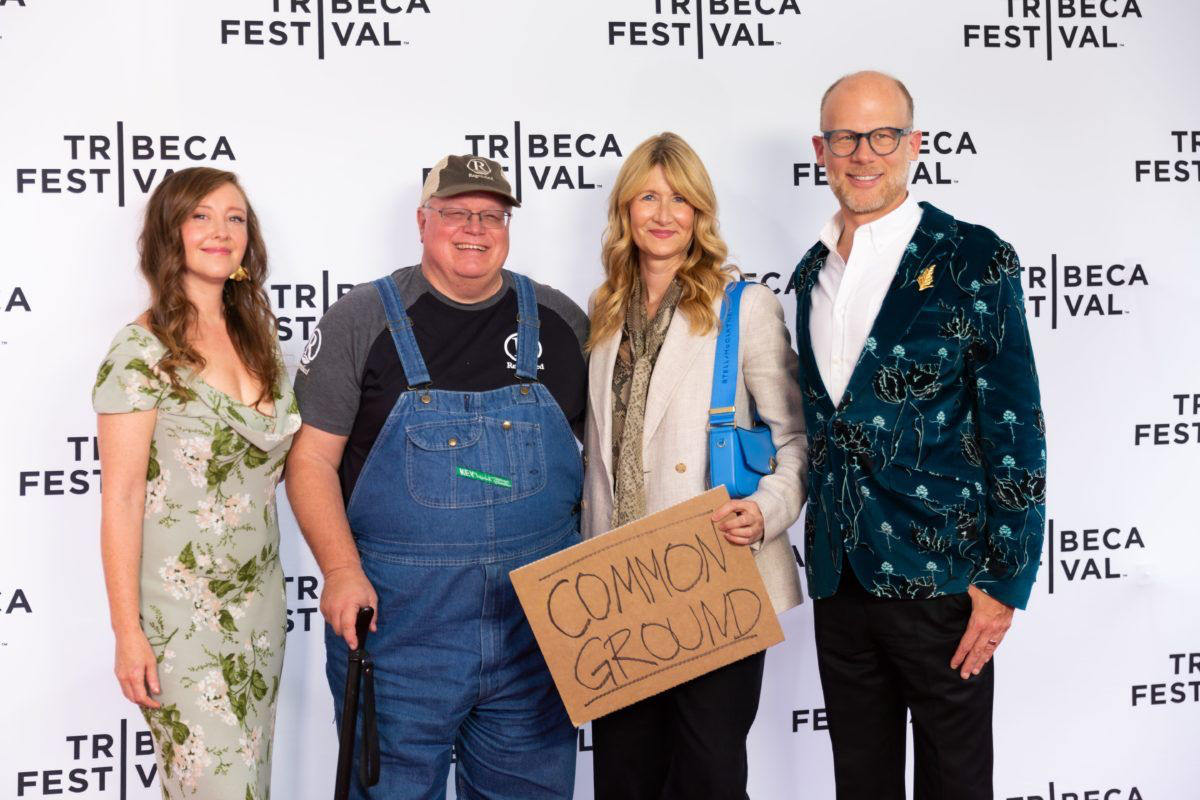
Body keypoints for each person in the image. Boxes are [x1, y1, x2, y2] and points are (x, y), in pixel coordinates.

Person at [287, 154, 588, 798]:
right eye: (455, 213)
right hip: (400, 631)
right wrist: (340, 571)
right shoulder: (360, 321)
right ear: (423, 221)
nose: (473, 228)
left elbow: (610, 459)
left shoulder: (561, 322)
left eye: (491, 214)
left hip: (537, 629)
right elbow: (311, 459)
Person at [791, 71, 1047, 799]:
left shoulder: (973, 257)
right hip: (840, 580)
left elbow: (1017, 425)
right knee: (859, 785)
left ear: (913, 144)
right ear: (821, 148)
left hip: (944, 582)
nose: (862, 154)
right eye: (845, 137)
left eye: (882, 136)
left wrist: (1006, 580)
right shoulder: (812, 272)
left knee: (955, 786)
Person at [581, 132, 807, 800]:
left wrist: (765, 510)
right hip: (617, 586)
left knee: (709, 777)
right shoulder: (603, 313)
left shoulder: (744, 307)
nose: (662, 212)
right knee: (624, 778)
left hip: (713, 573)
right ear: (625, 211)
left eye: (679, 198)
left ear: (700, 212)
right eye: (647, 196)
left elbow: (797, 439)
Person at [93, 167, 300, 800]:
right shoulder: (139, 350)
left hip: (260, 605)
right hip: (179, 617)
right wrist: (128, 634)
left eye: (235, 217)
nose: (221, 231)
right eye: (201, 216)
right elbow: (122, 499)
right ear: (170, 234)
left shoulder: (260, 341)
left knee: (251, 782)